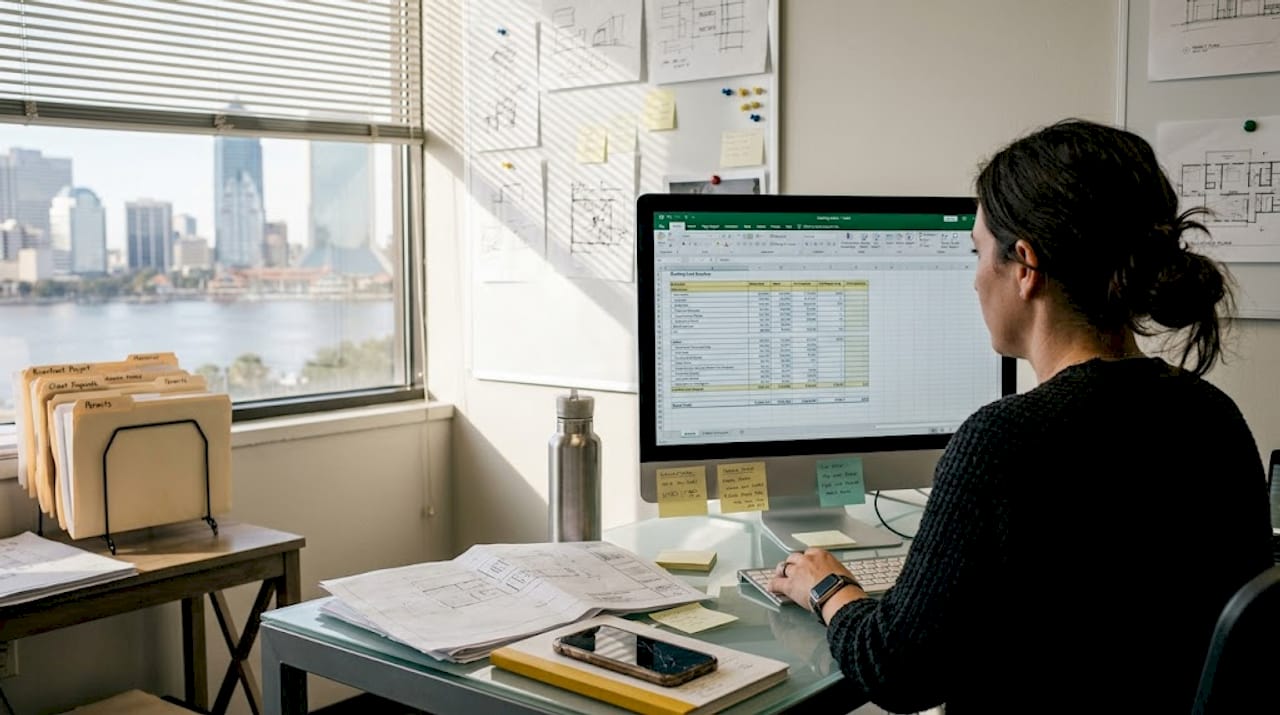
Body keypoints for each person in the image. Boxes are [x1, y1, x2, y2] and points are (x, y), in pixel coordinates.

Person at [767, 118, 1273, 713]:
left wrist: (829, 587)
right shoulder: (1211, 413)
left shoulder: (1004, 441)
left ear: (1025, 266)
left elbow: (896, 671)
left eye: (977, 252)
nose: (976, 279)